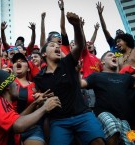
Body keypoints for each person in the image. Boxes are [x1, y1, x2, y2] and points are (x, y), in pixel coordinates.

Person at [34, 12, 105, 145]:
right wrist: (39, 98)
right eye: (52, 45)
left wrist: (77, 26)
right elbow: (37, 95)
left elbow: (79, 46)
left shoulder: (67, 62)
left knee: (98, 142)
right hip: (59, 122)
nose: (56, 47)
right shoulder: (39, 77)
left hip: (83, 115)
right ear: (43, 53)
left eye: (58, 46)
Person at [80, 51, 135, 145]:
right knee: (113, 128)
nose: (114, 56)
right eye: (110, 55)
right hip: (103, 112)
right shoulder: (96, 76)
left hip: (124, 118)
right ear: (102, 62)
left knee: (129, 142)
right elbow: (81, 84)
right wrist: (75, 70)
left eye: (114, 55)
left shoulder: (126, 77)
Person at [0, 70, 61, 145]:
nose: (17, 84)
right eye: (14, 81)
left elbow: (17, 119)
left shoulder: (3, 104)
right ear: (7, 86)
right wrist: (45, 107)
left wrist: (35, 103)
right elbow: (19, 126)